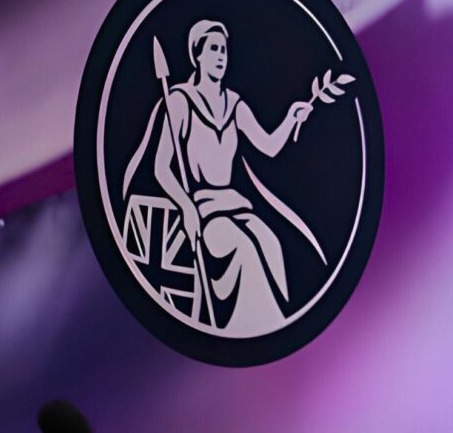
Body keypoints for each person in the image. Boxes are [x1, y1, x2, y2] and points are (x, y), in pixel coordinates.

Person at [126, 20, 313, 335]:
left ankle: (276, 330)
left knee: (270, 242)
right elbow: (161, 168)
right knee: (245, 248)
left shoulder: (234, 104)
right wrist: (186, 208)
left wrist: (291, 119)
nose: (221, 56)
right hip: (205, 212)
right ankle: (254, 332)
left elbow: (267, 147)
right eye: (213, 49)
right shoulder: (180, 102)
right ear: (197, 55)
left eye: (224, 49)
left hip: (237, 205)